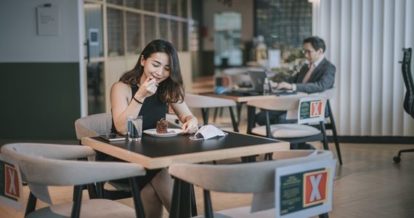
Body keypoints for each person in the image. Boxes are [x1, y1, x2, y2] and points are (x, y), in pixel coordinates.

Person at [110, 39, 198, 217]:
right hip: (123, 159)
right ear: (143, 61)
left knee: (151, 189)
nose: (159, 73)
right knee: (160, 173)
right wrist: (140, 96)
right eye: (155, 64)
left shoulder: (167, 89)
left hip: (154, 157)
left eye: (167, 68)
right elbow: (121, 128)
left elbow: (187, 116)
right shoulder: (122, 88)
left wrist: (191, 121)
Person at [255, 36, 336, 125]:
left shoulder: (329, 68)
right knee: (260, 117)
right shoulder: (306, 67)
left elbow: (320, 85)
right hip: (295, 104)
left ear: (320, 51)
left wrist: (292, 86)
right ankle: (269, 137)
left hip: (312, 108)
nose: (305, 55)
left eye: (308, 51)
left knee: (280, 119)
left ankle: (278, 137)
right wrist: (276, 84)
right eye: (304, 51)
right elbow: (293, 80)